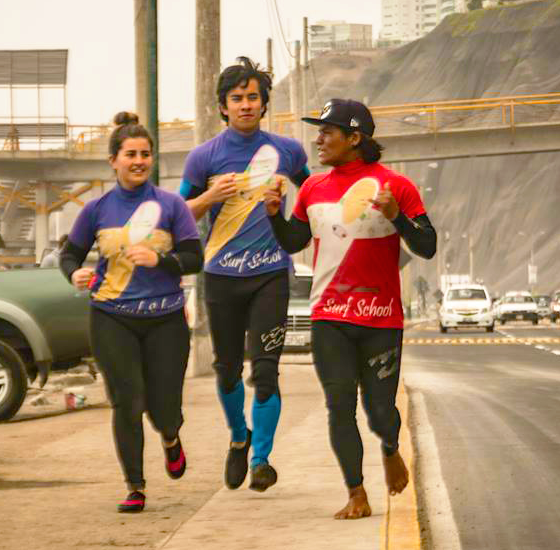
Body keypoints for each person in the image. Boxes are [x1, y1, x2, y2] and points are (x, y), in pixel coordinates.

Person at [264, 99, 436, 519]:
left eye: (327, 132)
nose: (318, 139)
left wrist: (399, 218)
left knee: (379, 412)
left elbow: (427, 246)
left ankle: (391, 448)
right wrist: (273, 215)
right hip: (330, 318)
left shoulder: (397, 186)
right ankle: (356, 492)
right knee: (338, 405)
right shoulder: (312, 189)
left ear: (355, 138)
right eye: (318, 131)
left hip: (381, 320)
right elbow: (292, 242)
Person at [60, 112, 203, 513]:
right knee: (127, 400)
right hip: (112, 315)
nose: (138, 161)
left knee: (163, 409)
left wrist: (160, 259)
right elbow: (69, 253)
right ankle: (135, 486)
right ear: (114, 161)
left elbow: (194, 257)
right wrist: (75, 273)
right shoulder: (96, 210)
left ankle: (171, 437)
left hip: (165, 318)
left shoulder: (172, 205)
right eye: (130, 154)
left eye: (145, 154)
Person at [179, 56, 309, 492]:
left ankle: (261, 460)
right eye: (237, 98)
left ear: (264, 103)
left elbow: (315, 198)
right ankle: (239, 438)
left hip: (271, 274)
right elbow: (175, 214)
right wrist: (210, 195)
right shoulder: (204, 158)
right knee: (227, 371)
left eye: (253, 97)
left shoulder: (288, 152)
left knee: (266, 371)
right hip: (220, 278)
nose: (246, 105)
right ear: (223, 106)